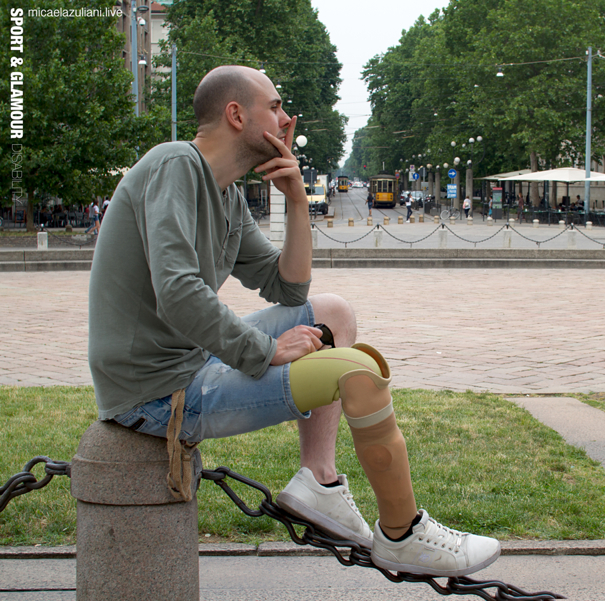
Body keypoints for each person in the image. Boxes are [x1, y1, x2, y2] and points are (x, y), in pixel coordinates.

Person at [88, 65, 499, 578]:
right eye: (275, 106)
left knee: (333, 313)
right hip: (157, 394)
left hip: (193, 358)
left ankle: (318, 481)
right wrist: (265, 351)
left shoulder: (226, 195)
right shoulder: (175, 165)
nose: (286, 119)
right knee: (358, 372)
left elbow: (288, 288)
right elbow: (178, 291)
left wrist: (298, 201)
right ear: (236, 115)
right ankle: (402, 533)